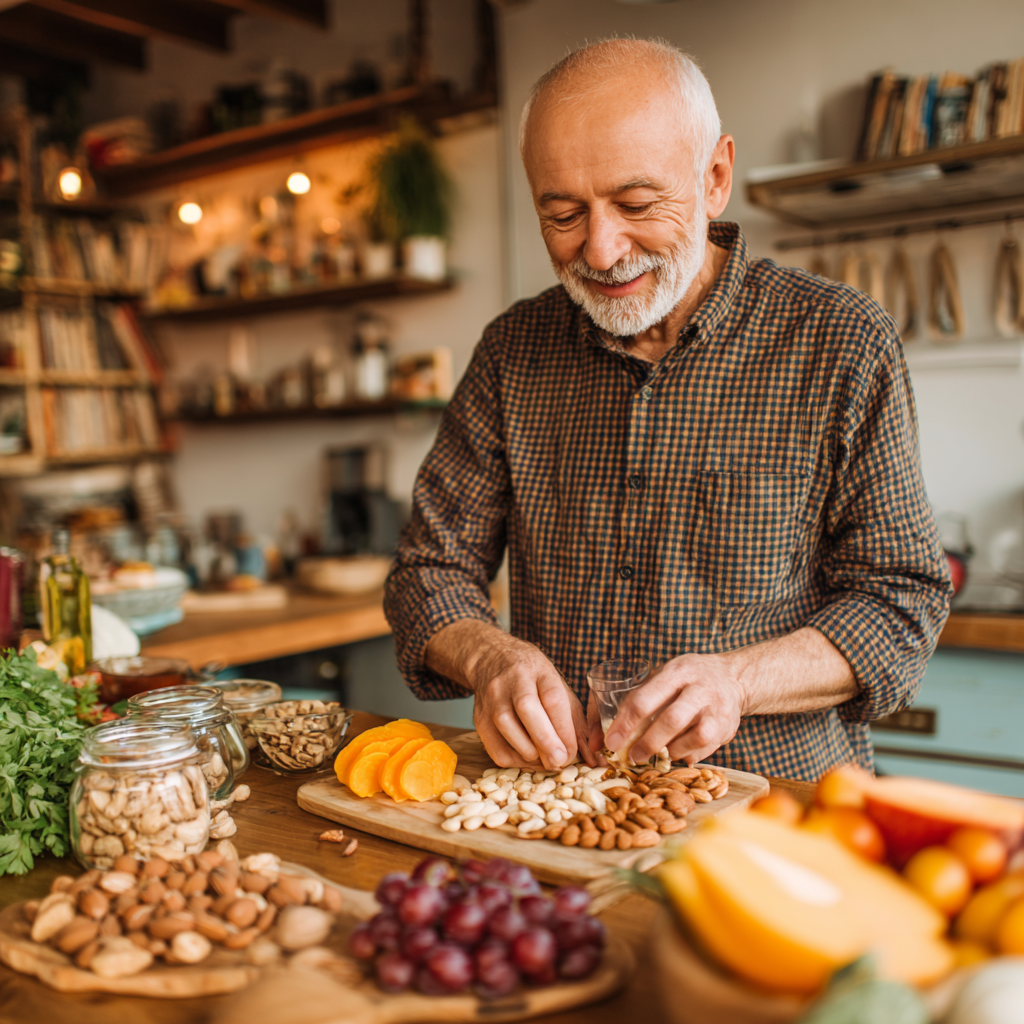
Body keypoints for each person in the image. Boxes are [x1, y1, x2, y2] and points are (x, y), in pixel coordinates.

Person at [383, 38, 951, 781]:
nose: (602, 247)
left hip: (773, 813)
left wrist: (735, 682)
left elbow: (900, 602)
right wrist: (491, 657)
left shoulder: (840, 340)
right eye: (561, 215)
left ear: (714, 178)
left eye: (637, 203)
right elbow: (428, 571)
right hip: (567, 807)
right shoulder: (512, 352)